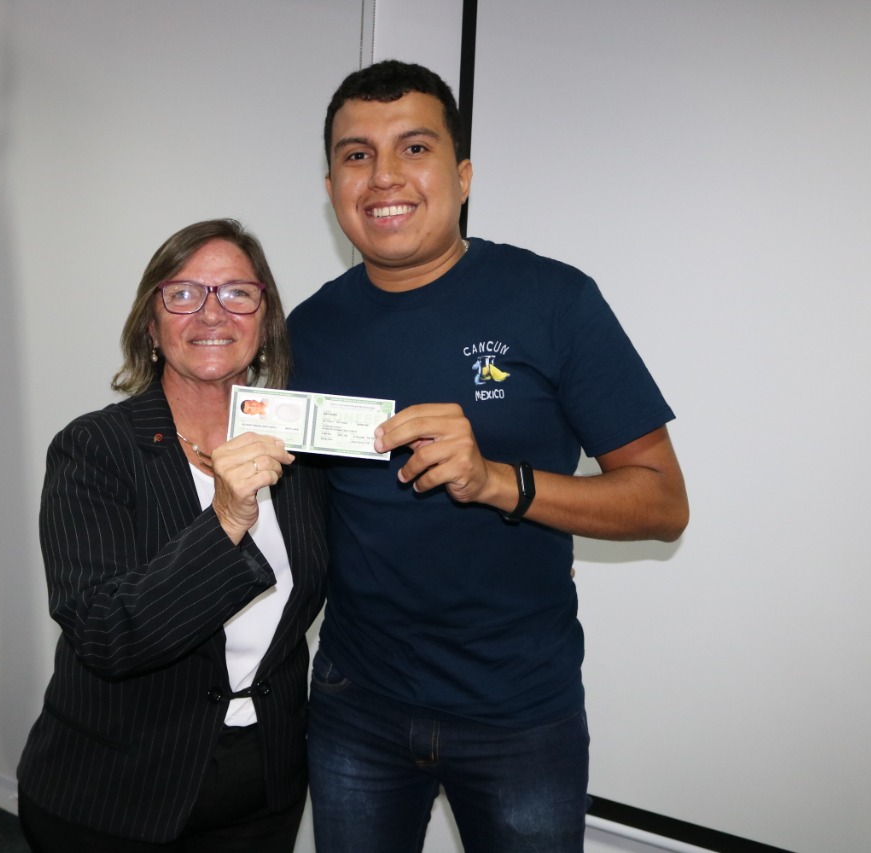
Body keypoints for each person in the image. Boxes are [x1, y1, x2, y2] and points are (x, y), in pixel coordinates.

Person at [287, 60, 689, 852]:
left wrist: (498, 482)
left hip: (519, 714)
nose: (384, 175)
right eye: (357, 154)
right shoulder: (307, 331)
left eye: (414, 147)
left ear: (463, 175)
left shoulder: (554, 301)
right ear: (332, 186)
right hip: (355, 703)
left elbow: (662, 500)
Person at [18, 219, 328, 853]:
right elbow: (106, 633)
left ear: (265, 322)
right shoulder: (93, 448)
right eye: (183, 294)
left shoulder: (297, 446)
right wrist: (226, 520)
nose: (212, 312)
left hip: (262, 788)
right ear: (151, 327)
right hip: (115, 793)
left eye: (238, 293)